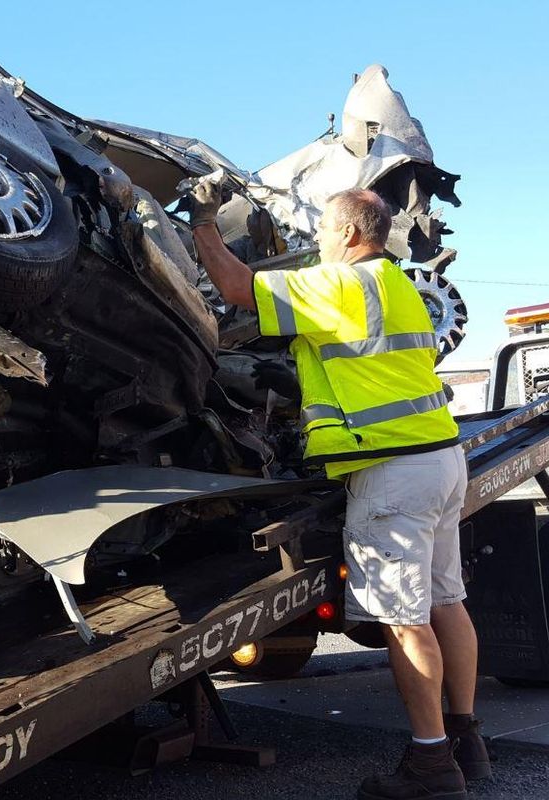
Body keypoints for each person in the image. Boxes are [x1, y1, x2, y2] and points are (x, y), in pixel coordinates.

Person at [188, 182, 488, 800]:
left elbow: (240, 290)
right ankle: (466, 739)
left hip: (393, 474)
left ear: (350, 233)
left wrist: (201, 224)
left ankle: (432, 764)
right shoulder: (396, 283)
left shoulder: (341, 284)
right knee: (445, 602)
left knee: (405, 622)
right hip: (439, 457)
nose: (316, 243)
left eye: (323, 232)